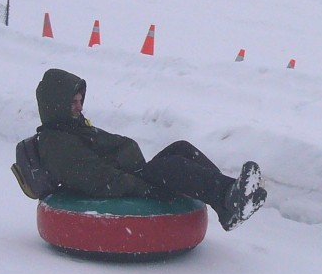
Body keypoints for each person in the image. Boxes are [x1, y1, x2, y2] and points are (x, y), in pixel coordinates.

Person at [35, 68, 267, 231]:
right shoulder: (57, 142)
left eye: (80, 101)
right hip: (121, 184)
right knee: (171, 167)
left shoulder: (71, 127)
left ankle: (227, 202)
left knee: (182, 148)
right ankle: (228, 197)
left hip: (129, 173)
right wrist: (140, 186)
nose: (79, 107)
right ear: (57, 104)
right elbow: (94, 177)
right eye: (73, 103)